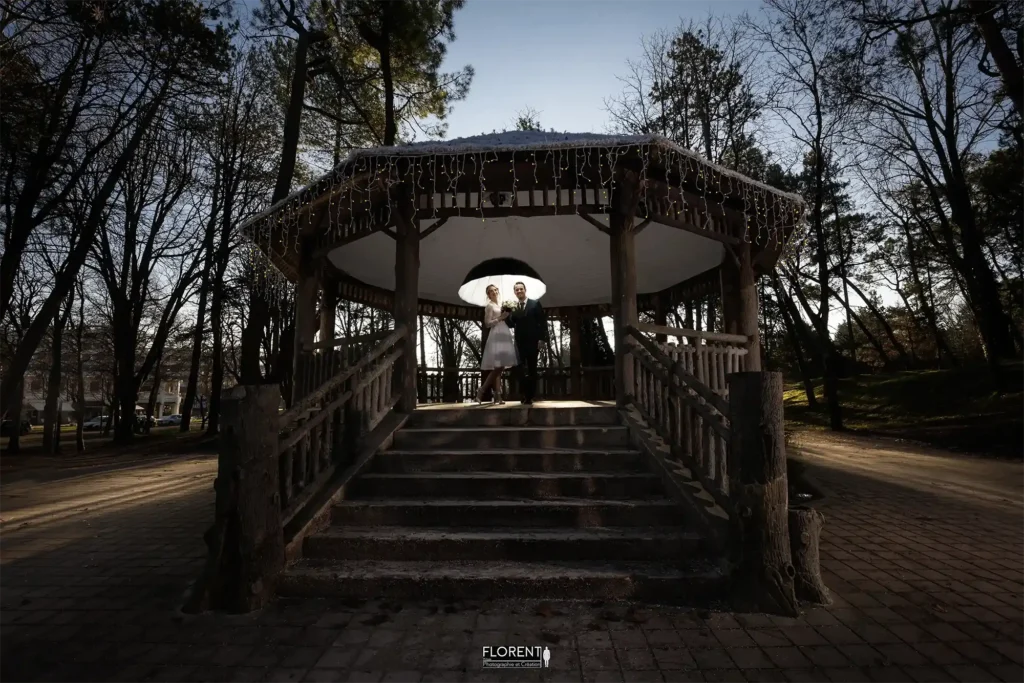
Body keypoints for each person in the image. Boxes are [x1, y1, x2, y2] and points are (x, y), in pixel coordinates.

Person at [506, 280, 546, 405]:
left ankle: (530, 396)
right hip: (519, 342)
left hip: (533, 341)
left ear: (525, 290)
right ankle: (524, 394)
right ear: (515, 292)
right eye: (516, 290)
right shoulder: (513, 307)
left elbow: (542, 322)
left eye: (521, 289)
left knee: (532, 369)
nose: (519, 291)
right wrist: (508, 315)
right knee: (520, 370)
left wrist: (542, 339)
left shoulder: (535, 304)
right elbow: (511, 324)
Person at [477, 284, 518, 404]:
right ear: (488, 294)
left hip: (504, 333)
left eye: (495, 290)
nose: (493, 292)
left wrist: (508, 314)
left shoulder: (501, 305)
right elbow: (487, 323)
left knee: (500, 367)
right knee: (498, 367)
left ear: (497, 291)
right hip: (496, 334)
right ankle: (482, 390)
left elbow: (507, 318)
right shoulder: (489, 306)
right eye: (490, 291)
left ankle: (497, 396)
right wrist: (500, 318)